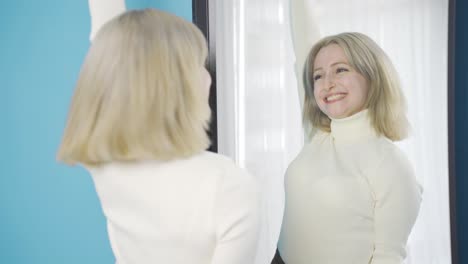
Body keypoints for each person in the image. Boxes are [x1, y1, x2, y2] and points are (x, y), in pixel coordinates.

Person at [57, 8, 260, 264]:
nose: (208, 76)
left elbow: (113, 60)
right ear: (175, 85)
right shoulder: (229, 185)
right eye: (199, 65)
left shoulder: (106, 165)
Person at [275, 32, 422, 264]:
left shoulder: (392, 164)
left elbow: (388, 257)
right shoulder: (319, 138)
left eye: (341, 70)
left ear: (373, 76)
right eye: (318, 76)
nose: (327, 84)